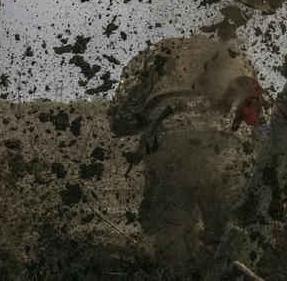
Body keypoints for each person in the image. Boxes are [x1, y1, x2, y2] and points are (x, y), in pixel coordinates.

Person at [107, 35, 270, 278]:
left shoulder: (157, 53)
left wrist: (145, 120)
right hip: (227, 150)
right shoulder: (234, 55)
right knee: (236, 237)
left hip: (169, 146)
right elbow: (262, 122)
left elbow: (120, 117)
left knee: (171, 242)